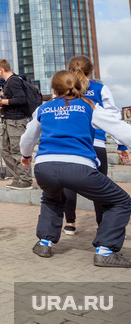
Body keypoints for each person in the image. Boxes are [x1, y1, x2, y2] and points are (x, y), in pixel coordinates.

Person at [21, 70, 131, 267]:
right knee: (121, 201)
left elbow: (28, 137)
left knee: (52, 198)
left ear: (53, 90)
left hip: (44, 166)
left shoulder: (43, 108)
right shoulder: (89, 106)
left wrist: (26, 155)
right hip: (79, 166)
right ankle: (106, 250)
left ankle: (44, 242)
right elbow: (120, 128)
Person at [62, 55, 129, 236]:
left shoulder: (64, 89)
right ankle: (101, 225)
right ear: (92, 70)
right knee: (101, 187)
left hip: (73, 144)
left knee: (68, 184)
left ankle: (70, 223)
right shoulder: (101, 88)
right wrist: (121, 145)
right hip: (97, 144)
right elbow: (114, 118)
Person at [0, 59, 32, 189]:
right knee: (4, 150)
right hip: (9, 120)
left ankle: (25, 180)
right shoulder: (8, 82)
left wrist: (3, 102)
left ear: (1, 70)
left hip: (16, 121)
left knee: (16, 151)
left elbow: (21, 99)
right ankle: (17, 178)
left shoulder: (14, 81)